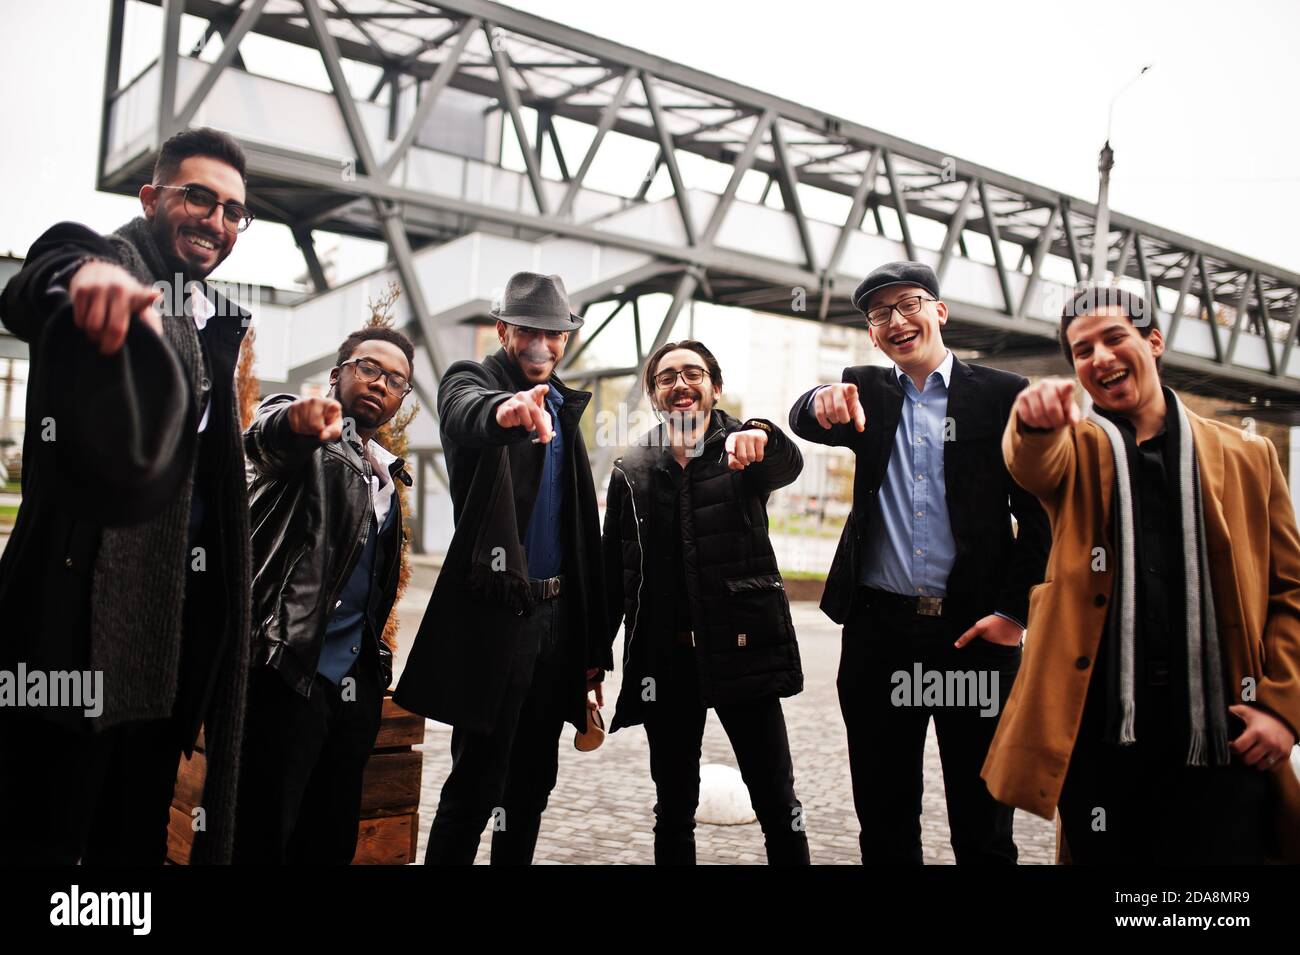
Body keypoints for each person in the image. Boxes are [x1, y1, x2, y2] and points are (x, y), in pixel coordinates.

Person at [0, 127, 255, 864]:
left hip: (161, 655)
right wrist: (81, 281)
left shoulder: (213, 326)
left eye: (234, 210)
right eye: (198, 196)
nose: (216, 219)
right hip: (68, 640)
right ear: (151, 198)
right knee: (41, 840)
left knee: (129, 861)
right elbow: (41, 273)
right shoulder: (113, 265)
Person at [983, 285, 1300, 864]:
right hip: (1103, 738)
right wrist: (1031, 422)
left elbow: (1290, 592)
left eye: (1114, 338)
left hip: (1225, 733)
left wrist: (1282, 707)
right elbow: (1031, 464)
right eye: (1082, 350)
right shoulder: (1073, 451)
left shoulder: (1249, 458)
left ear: (1153, 342)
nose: (1099, 357)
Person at [788, 260, 1049, 864]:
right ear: (874, 335)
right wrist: (817, 399)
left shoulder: (1004, 394)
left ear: (939, 312)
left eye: (909, 305)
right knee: (884, 823)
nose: (896, 321)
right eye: (880, 315)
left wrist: (1014, 613)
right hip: (879, 634)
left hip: (972, 634)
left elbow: (1040, 515)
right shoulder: (866, 392)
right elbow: (804, 419)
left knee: (983, 828)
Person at [395, 271, 608, 864]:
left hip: (558, 621)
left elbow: (578, 532)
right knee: (476, 784)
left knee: (532, 785)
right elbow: (468, 411)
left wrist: (590, 647)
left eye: (555, 333)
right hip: (499, 619)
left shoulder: (565, 407)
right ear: (503, 330)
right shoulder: (473, 380)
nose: (542, 344)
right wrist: (507, 412)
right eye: (528, 331)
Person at [603, 339, 809, 864]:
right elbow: (612, 573)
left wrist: (761, 433)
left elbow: (786, 462)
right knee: (672, 809)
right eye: (666, 377)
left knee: (778, 805)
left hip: (743, 650)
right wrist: (590, 661)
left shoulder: (742, 450)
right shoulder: (631, 467)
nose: (681, 385)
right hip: (666, 661)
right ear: (654, 394)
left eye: (693, 374)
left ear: (715, 388)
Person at [234, 326, 415, 864]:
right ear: (337, 375)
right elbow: (265, 434)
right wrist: (299, 421)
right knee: (262, 830)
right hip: (290, 670)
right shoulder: (307, 431)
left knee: (330, 837)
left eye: (396, 379)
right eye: (369, 368)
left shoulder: (385, 474)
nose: (381, 383)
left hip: (353, 690)